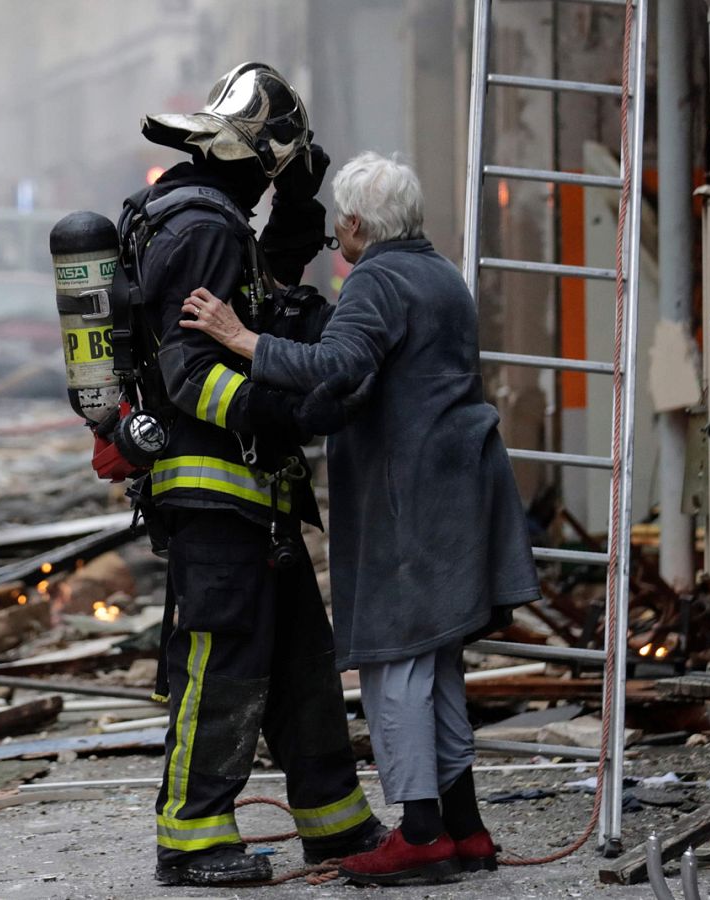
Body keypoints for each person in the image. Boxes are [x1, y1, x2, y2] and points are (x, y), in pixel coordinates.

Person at [179, 151, 541, 885]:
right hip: (458, 489)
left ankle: (420, 834)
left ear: (351, 222)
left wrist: (238, 337)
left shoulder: (376, 278)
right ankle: (465, 830)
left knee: (394, 663)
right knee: (437, 662)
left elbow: (336, 366)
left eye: (335, 224)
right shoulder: (439, 272)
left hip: (411, 499)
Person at [128, 63, 384, 887]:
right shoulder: (202, 226)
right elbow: (188, 373)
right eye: (280, 168)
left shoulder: (211, 217)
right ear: (256, 157)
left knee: (304, 657)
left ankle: (335, 822)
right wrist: (284, 411)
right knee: (222, 659)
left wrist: (301, 214)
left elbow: (264, 295)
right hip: (213, 489)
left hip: (253, 494)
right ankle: (192, 835)